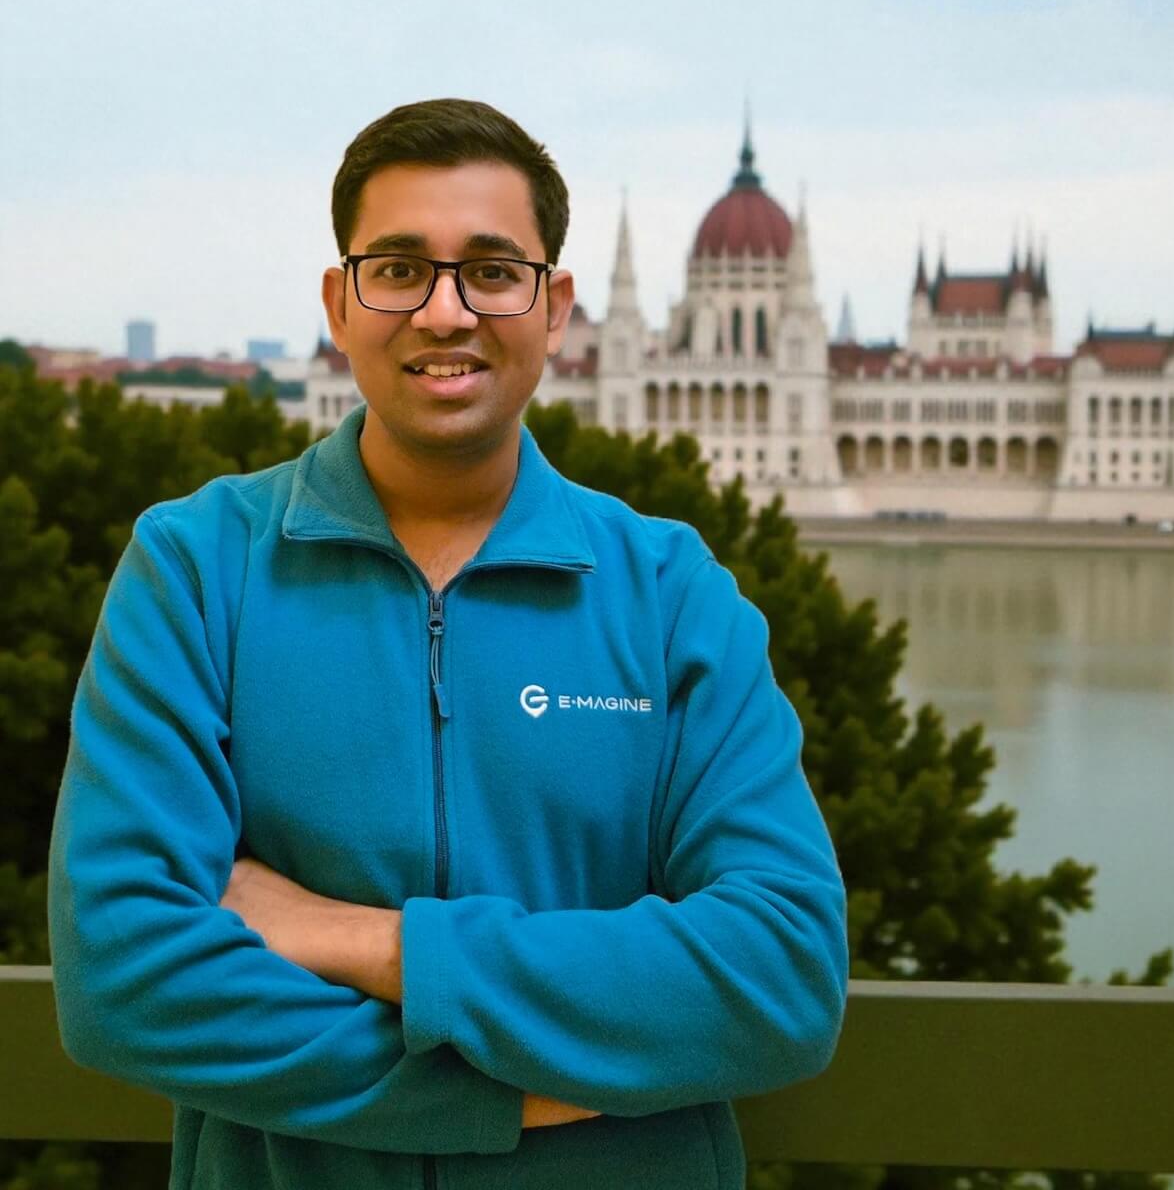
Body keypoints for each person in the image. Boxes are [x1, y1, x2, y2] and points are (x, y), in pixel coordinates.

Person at [47, 98, 849, 1190]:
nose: (444, 310)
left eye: (492, 269)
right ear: (339, 301)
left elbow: (779, 977)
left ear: (558, 305)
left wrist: (367, 941)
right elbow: (124, 980)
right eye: (396, 269)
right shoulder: (193, 569)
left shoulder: (671, 592)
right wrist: (516, 1095)